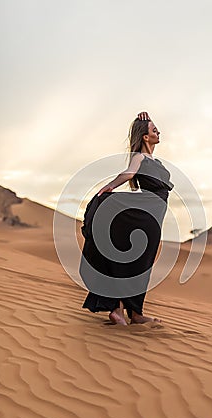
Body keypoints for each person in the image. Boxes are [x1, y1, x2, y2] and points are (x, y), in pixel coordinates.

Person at [79, 111, 174, 325]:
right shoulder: (139, 157)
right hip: (144, 215)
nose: (158, 131)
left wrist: (146, 117)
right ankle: (116, 308)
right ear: (145, 137)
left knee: (144, 263)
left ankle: (135, 313)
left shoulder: (155, 161)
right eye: (153, 129)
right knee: (131, 261)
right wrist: (110, 186)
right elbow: (129, 174)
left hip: (154, 215)